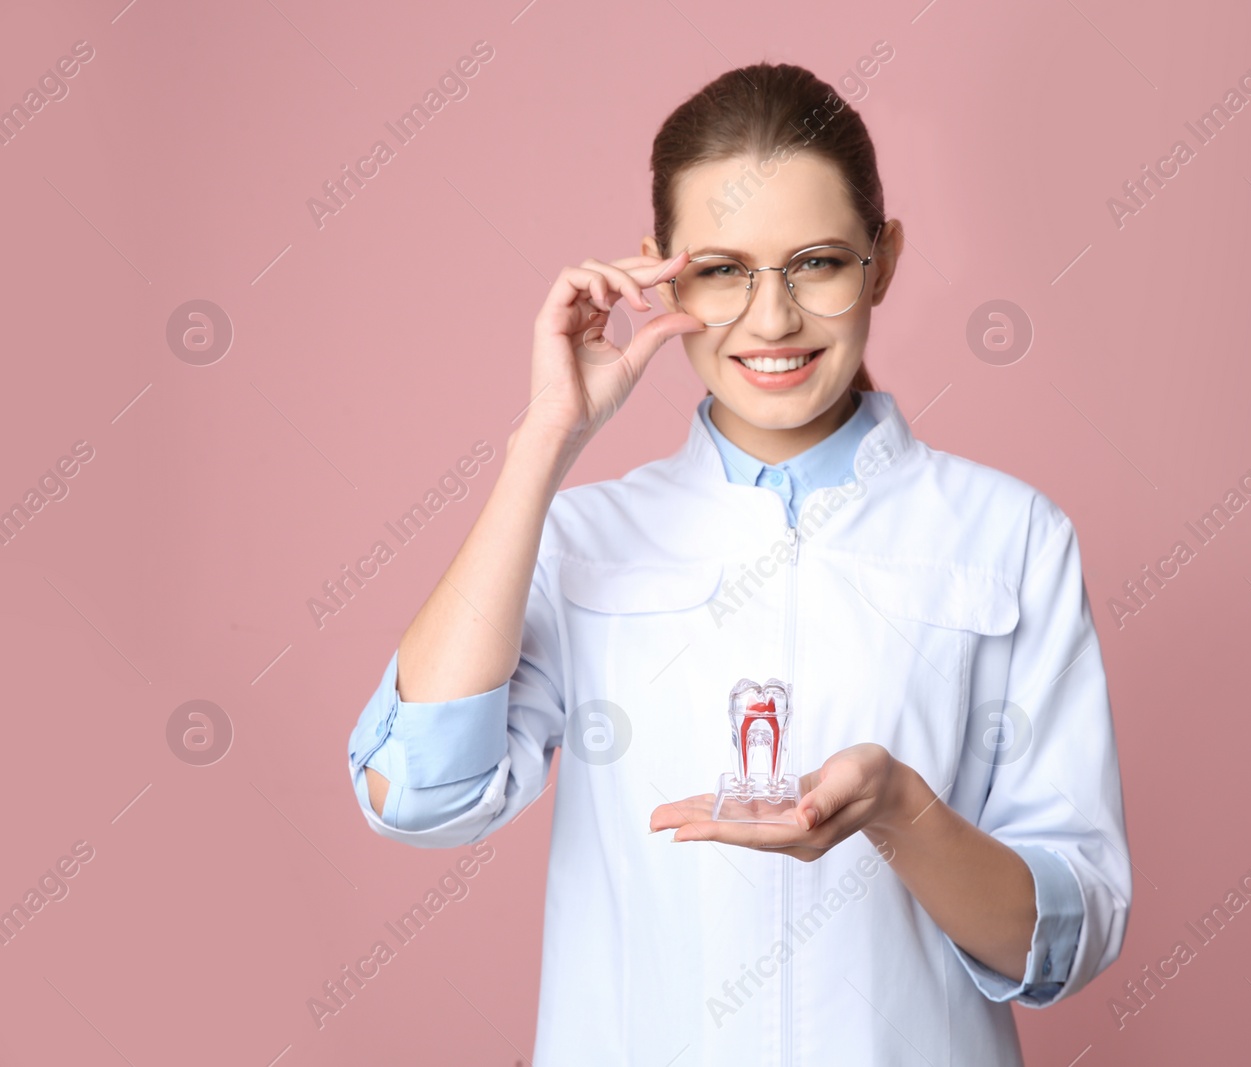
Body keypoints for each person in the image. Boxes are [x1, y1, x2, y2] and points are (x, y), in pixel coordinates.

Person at [347, 60, 1131, 1065]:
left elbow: (1062, 936)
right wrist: (544, 438)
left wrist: (901, 811)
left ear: (881, 261)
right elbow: (416, 795)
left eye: (816, 262)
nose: (771, 320)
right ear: (656, 269)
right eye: (721, 269)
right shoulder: (578, 538)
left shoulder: (1008, 534)